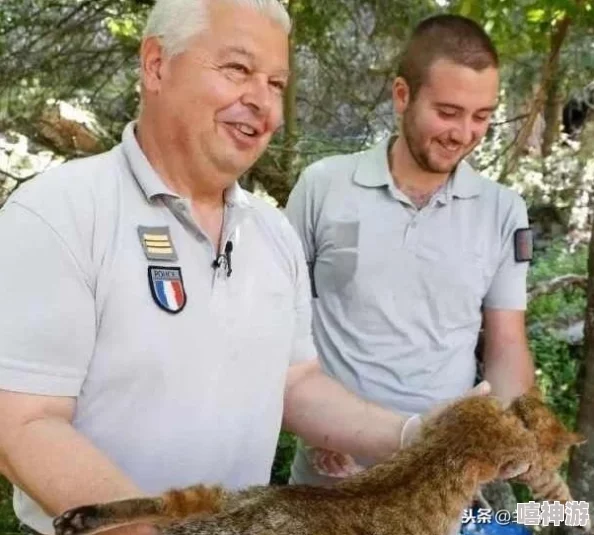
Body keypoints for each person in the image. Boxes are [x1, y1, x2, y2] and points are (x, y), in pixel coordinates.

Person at [0, 3, 493, 535]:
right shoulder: (60, 211)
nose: (262, 101)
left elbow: (296, 383)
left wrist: (414, 435)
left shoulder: (271, 232)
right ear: (156, 64)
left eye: (276, 82)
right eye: (237, 69)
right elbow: (22, 423)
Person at [285, 14, 536, 487]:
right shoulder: (322, 187)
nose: (464, 133)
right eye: (447, 112)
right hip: (330, 482)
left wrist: (503, 431)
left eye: (481, 116)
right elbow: (279, 322)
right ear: (402, 95)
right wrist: (316, 424)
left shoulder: (503, 211)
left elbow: (506, 346)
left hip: (441, 485)